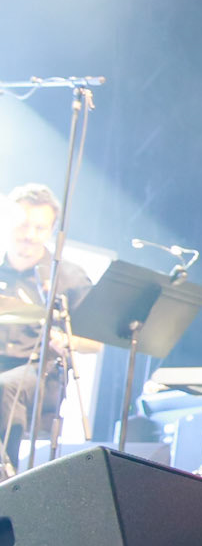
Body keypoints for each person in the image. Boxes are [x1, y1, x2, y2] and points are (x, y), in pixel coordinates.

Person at [0, 183, 93, 472]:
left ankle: (7, 476)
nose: (29, 235)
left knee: (5, 387)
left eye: (39, 228)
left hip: (40, 371)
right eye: (23, 225)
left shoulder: (69, 276)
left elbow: (96, 340)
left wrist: (65, 339)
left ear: (51, 231)